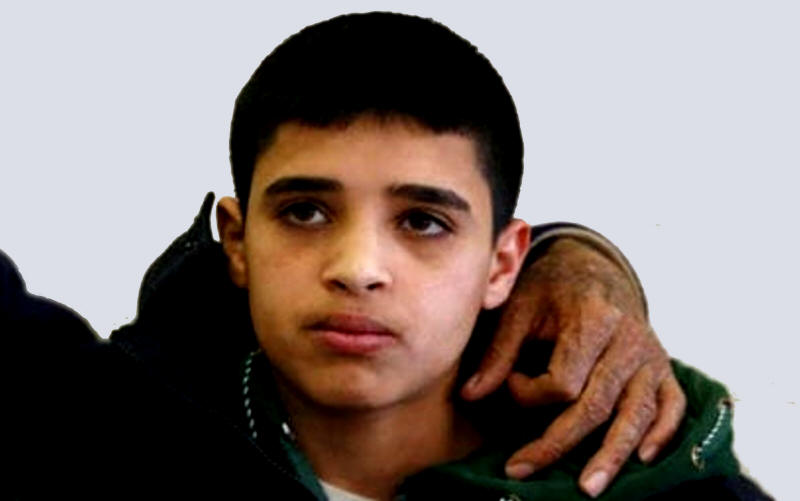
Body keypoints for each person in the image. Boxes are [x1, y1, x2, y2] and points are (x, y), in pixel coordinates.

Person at [3, 11, 768, 501]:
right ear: (235, 239)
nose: (358, 266)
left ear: (504, 263)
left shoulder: (658, 486)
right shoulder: (110, 431)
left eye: (424, 222)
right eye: (305, 211)